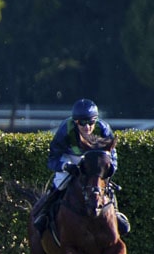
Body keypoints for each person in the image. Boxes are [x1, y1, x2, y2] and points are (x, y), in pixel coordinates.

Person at [33, 98, 130, 235]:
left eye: (91, 122)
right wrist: (65, 166)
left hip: (93, 159)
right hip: (70, 157)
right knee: (60, 183)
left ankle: (116, 213)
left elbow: (112, 155)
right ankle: (44, 214)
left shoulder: (103, 128)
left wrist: (111, 168)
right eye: (82, 123)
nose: (87, 127)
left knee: (105, 184)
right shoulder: (65, 130)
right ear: (75, 121)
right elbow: (52, 158)